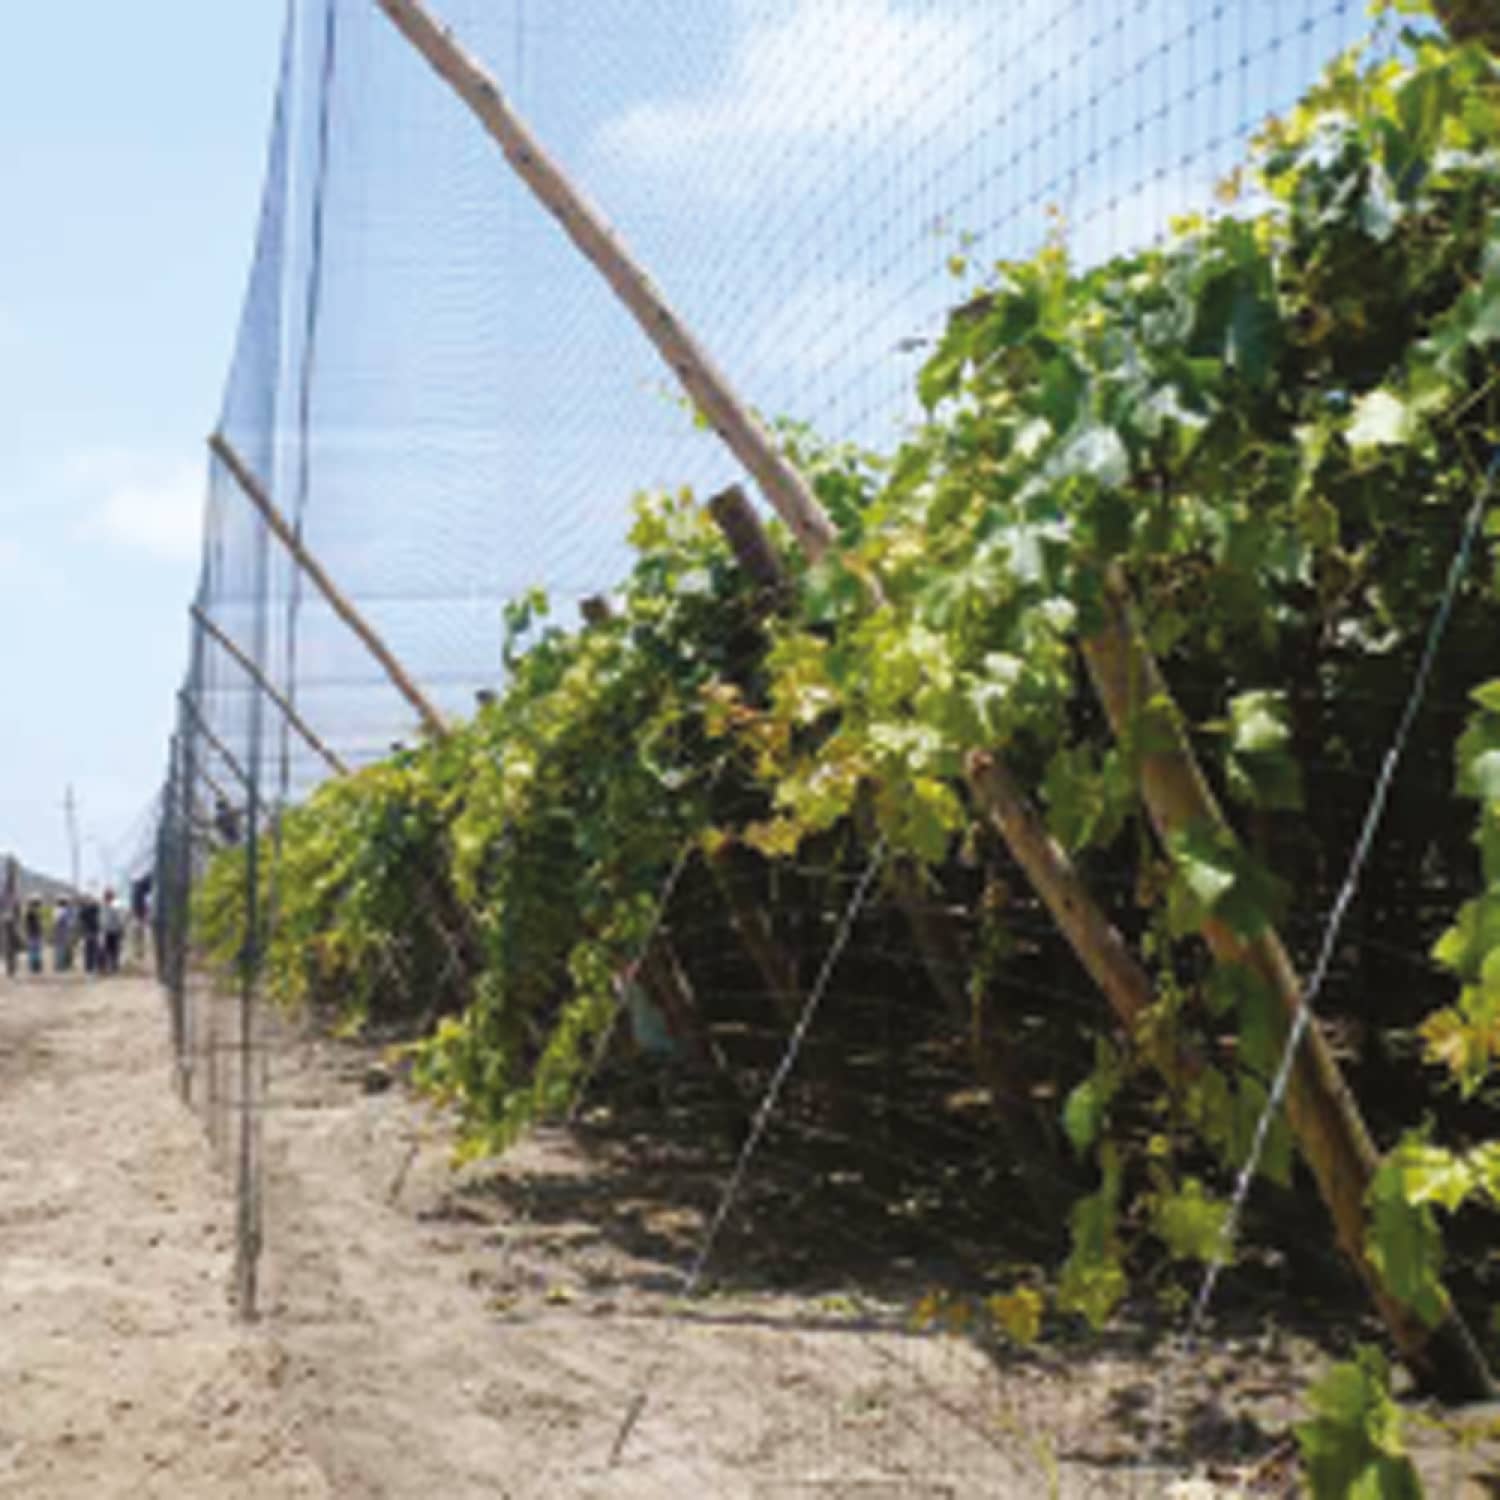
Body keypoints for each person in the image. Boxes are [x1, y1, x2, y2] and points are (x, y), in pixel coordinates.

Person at [100, 890, 126, 976]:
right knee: (107, 950)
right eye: (106, 896)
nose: (107, 898)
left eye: (108, 896)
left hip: (113, 931)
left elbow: (120, 918)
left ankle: (113, 968)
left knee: (113, 950)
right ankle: (106, 968)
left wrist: (121, 929)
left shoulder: (115, 906)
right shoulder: (103, 906)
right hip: (106, 931)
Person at [78, 892, 102, 976]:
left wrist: (84, 904)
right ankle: (92, 969)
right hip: (93, 933)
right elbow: (97, 907)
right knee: (93, 951)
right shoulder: (94, 909)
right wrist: (93, 902)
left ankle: (88, 969)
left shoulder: (84, 910)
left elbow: (80, 916)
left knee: (88, 952)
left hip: (87, 933)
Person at [52, 898, 75, 972]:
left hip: (57, 931)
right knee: (63, 948)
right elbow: (69, 923)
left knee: (58, 948)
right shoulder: (65, 911)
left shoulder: (55, 910)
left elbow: (54, 922)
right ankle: (61, 966)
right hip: (64, 932)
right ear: (65, 904)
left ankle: (57, 965)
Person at [22, 898, 44, 976]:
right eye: (38, 905)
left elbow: (26, 924)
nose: (39, 907)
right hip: (34, 934)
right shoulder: (32, 913)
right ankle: (35, 967)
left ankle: (35, 967)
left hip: (33, 934)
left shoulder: (30, 913)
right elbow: (37, 924)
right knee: (35, 951)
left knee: (34, 951)